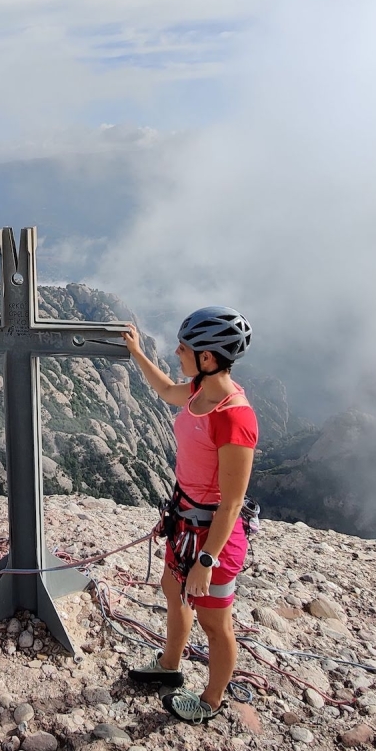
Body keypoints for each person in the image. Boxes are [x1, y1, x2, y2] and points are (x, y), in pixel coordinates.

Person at [122, 307, 258, 725]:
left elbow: (232, 503)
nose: (177, 352)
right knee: (172, 590)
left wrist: (206, 560)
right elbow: (165, 390)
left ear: (210, 357)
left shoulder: (235, 417)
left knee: (215, 623)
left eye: (186, 348)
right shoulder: (199, 390)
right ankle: (169, 665)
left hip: (213, 536)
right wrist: (136, 352)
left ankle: (212, 700)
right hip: (184, 521)